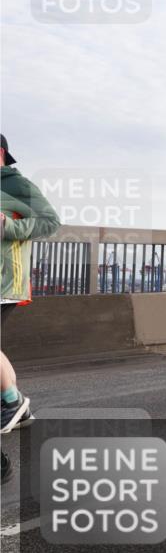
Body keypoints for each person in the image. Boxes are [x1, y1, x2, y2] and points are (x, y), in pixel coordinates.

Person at [1, 135, 61, 484]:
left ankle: (11, 401)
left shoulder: (17, 184)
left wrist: (10, 227)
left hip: (5, 279)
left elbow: (50, 221)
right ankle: (16, 405)